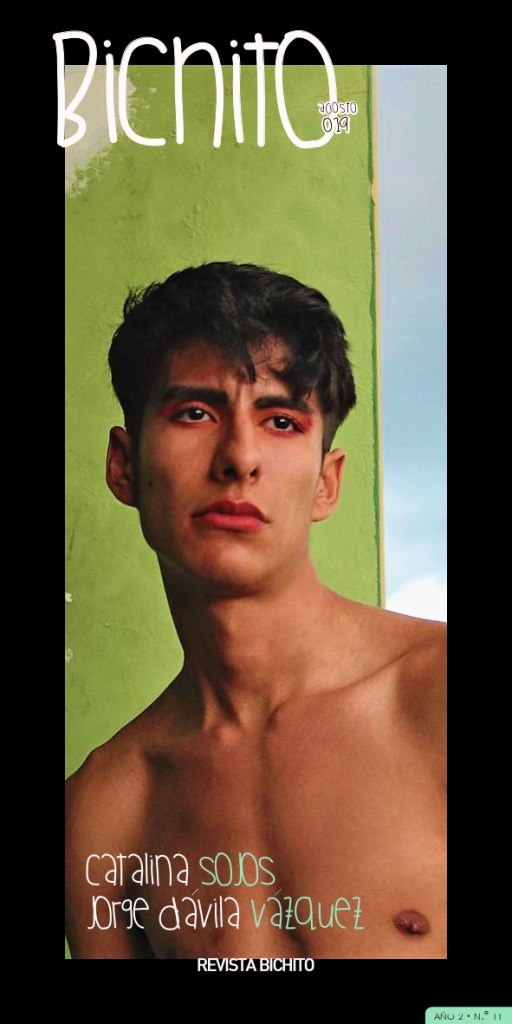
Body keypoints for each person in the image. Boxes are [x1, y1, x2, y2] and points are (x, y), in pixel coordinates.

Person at [65, 261, 446, 960]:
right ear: (124, 465)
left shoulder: (435, 696)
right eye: (195, 413)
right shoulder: (104, 811)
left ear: (327, 482)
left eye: (281, 421)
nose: (239, 458)